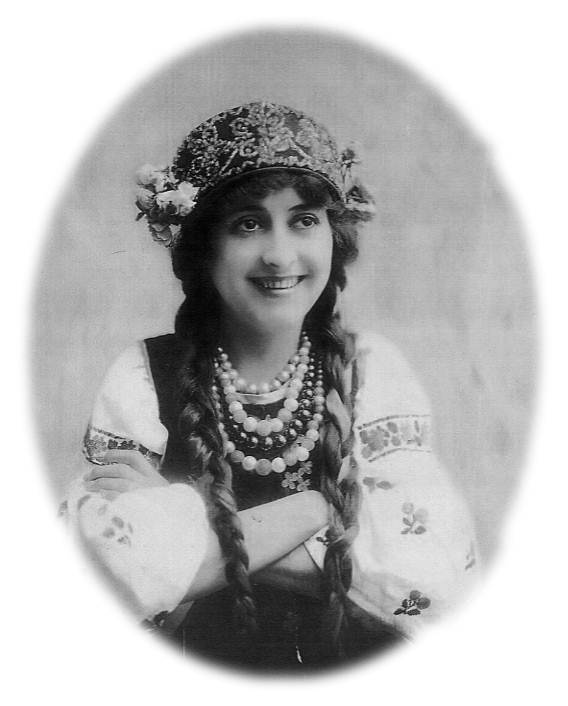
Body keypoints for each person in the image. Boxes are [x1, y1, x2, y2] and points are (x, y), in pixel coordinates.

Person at [65, 102, 478, 671]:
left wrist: (192, 522)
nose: (280, 255)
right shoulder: (141, 377)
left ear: (334, 234)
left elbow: (426, 576)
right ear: (203, 245)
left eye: (304, 220)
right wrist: (316, 510)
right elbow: (109, 580)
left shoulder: (373, 371)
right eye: (248, 223)